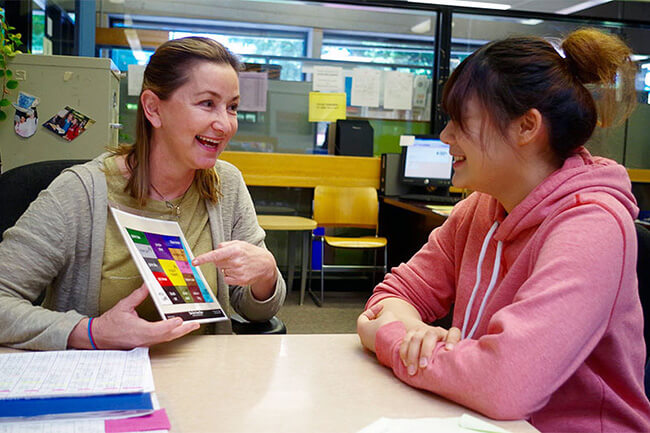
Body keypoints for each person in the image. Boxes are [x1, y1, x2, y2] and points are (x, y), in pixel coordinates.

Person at [357, 28, 650, 432]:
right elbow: (390, 297)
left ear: (527, 126)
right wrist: (413, 335)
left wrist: (392, 340)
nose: (445, 137)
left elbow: (506, 383)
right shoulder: (480, 207)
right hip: (479, 418)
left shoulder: (593, 225)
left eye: (461, 121)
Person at [0, 36, 286, 351]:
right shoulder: (80, 191)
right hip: (102, 381)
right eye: (207, 103)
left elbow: (257, 310)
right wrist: (92, 332)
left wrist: (266, 275)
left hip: (205, 379)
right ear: (152, 108)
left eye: (231, 107)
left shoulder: (226, 184)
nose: (225, 124)